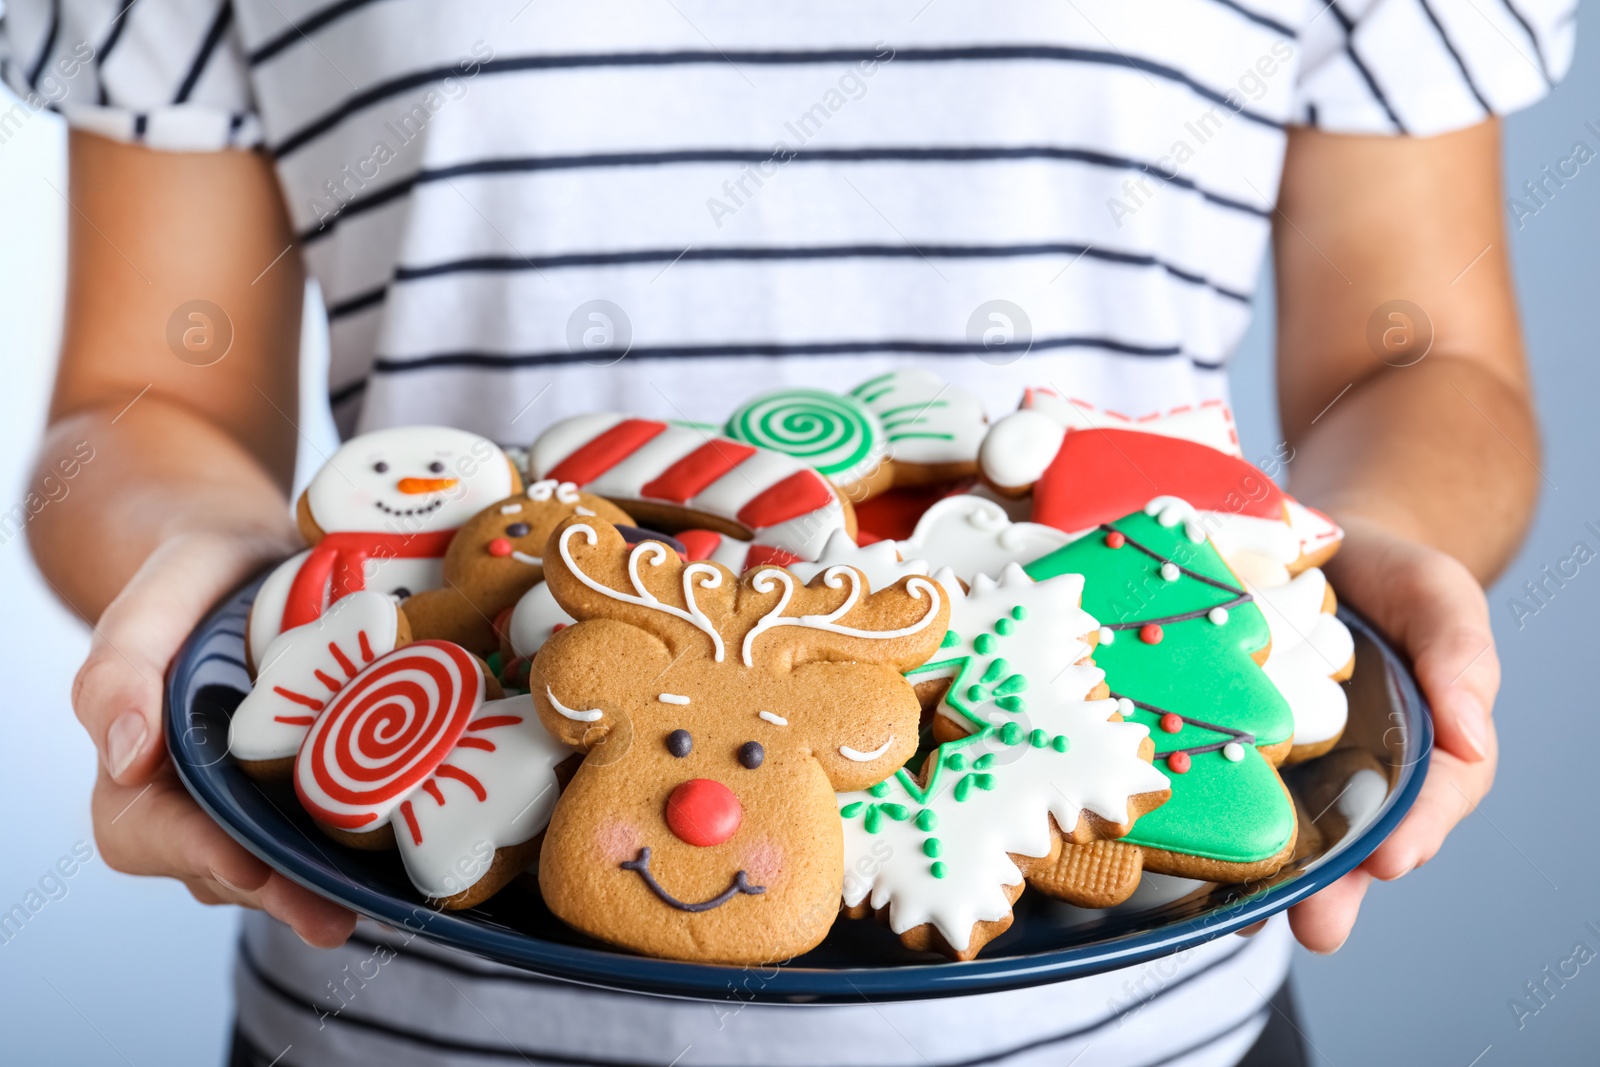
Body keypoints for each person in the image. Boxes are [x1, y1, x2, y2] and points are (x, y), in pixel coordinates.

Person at [5, 1, 1572, 1063]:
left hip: (1143, 1025)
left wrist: (1355, 560)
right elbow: (144, 396)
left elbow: (1417, 358)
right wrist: (201, 572)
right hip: (391, 997)